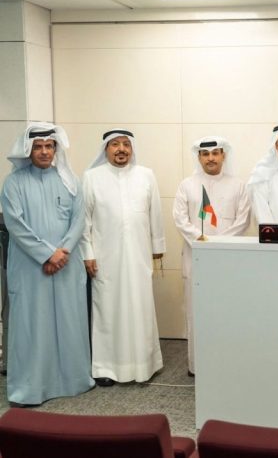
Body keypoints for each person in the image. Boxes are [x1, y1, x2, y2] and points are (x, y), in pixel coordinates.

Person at [0, 123, 93, 406]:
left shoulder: (70, 180)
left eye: (49, 146)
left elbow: (79, 219)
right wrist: (46, 255)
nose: (44, 152)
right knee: (33, 326)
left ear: (55, 149)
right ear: (28, 151)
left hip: (66, 264)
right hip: (30, 267)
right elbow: (15, 224)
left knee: (69, 322)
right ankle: (30, 388)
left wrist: (62, 252)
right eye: (38, 147)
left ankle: (73, 381)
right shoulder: (13, 183)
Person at [80, 129, 165, 386]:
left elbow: (155, 213)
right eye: (115, 144)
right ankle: (106, 368)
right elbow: (84, 221)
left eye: (126, 144)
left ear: (132, 148)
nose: (121, 149)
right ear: (106, 149)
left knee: (140, 308)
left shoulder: (146, 175)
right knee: (108, 310)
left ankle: (145, 364)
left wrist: (157, 247)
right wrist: (87, 253)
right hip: (105, 257)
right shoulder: (92, 177)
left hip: (139, 255)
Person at [173, 136, 250, 375]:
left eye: (215, 153)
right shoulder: (187, 185)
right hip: (195, 257)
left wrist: (218, 244)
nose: (210, 158)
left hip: (228, 259)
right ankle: (197, 366)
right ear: (199, 157)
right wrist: (202, 240)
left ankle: (226, 363)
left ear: (223, 155)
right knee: (196, 311)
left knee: (227, 311)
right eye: (205, 154)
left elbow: (243, 220)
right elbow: (180, 219)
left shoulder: (238, 185)